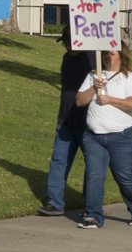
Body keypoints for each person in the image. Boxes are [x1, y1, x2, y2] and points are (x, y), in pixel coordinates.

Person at [75, 42, 132, 229]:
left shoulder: (128, 77)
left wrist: (109, 100)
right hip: (93, 137)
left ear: (122, 56)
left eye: (112, 54)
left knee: (123, 176)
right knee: (94, 175)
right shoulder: (93, 75)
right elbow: (79, 101)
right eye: (105, 53)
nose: (107, 57)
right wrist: (93, 88)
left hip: (123, 137)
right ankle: (93, 216)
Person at [38, 27, 93, 216]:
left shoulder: (94, 58)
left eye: (72, 42)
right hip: (66, 122)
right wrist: (60, 117)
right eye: (65, 43)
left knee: (92, 166)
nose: (68, 46)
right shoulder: (66, 59)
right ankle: (55, 201)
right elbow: (66, 90)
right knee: (59, 160)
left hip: (89, 123)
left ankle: (91, 206)